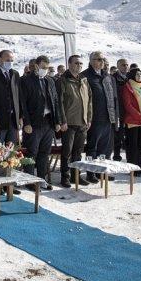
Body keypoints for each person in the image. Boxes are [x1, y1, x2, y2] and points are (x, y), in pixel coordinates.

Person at [20, 55, 60, 189]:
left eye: (47, 68)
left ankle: (41, 180)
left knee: (44, 152)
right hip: (33, 123)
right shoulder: (26, 81)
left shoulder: (50, 80)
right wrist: (26, 123)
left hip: (48, 122)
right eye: (43, 67)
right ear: (36, 66)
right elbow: (23, 104)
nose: (45, 70)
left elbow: (55, 102)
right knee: (31, 152)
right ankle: (29, 180)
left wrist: (58, 121)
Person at [81, 51, 119, 180]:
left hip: (108, 117)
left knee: (105, 147)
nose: (101, 61)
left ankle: (102, 171)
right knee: (92, 147)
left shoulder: (108, 77)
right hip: (94, 118)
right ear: (91, 61)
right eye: (98, 59)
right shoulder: (85, 76)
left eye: (103, 59)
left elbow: (114, 98)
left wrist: (115, 117)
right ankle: (90, 172)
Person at [56, 55, 92, 187]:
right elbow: (59, 102)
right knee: (67, 152)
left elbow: (89, 101)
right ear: (69, 64)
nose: (79, 66)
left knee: (78, 152)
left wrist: (89, 118)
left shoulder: (84, 80)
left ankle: (75, 176)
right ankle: (65, 177)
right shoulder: (63, 80)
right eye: (76, 63)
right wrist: (62, 121)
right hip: (69, 122)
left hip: (82, 122)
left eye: (81, 64)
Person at [121, 68, 141, 177]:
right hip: (133, 121)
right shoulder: (128, 87)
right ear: (132, 75)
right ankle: (132, 169)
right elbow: (128, 105)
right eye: (137, 74)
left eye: (140, 74)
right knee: (132, 146)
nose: (139, 76)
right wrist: (140, 117)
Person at [112, 58, 130, 161]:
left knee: (129, 137)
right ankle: (116, 156)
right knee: (118, 137)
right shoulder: (113, 78)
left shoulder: (130, 78)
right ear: (118, 66)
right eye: (123, 65)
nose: (126, 67)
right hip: (119, 112)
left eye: (127, 65)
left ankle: (129, 158)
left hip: (130, 112)